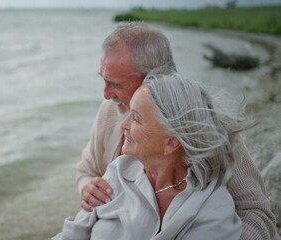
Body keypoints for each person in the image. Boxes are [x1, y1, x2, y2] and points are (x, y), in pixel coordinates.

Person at [76, 22, 279, 239]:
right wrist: (89, 188)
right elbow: (87, 170)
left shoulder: (208, 124)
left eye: (115, 84)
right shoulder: (110, 110)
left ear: (154, 79)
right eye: (104, 80)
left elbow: (256, 213)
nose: (106, 94)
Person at [54, 70, 243, 239]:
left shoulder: (213, 211)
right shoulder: (119, 171)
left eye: (135, 118)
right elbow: (72, 233)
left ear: (170, 143)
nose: (123, 124)